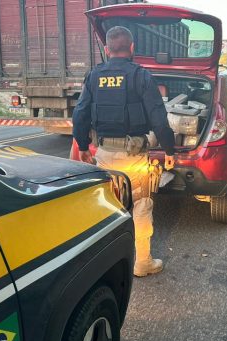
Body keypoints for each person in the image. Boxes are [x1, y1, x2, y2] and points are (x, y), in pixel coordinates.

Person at [72, 26, 175, 277]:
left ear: (107, 50)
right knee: (141, 205)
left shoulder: (94, 75)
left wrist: (83, 147)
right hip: (135, 157)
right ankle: (142, 263)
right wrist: (170, 150)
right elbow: (159, 119)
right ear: (132, 49)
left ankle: (102, 265)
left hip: (104, 154)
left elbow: (80, 114)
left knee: (106, 206)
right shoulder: (141, 76)